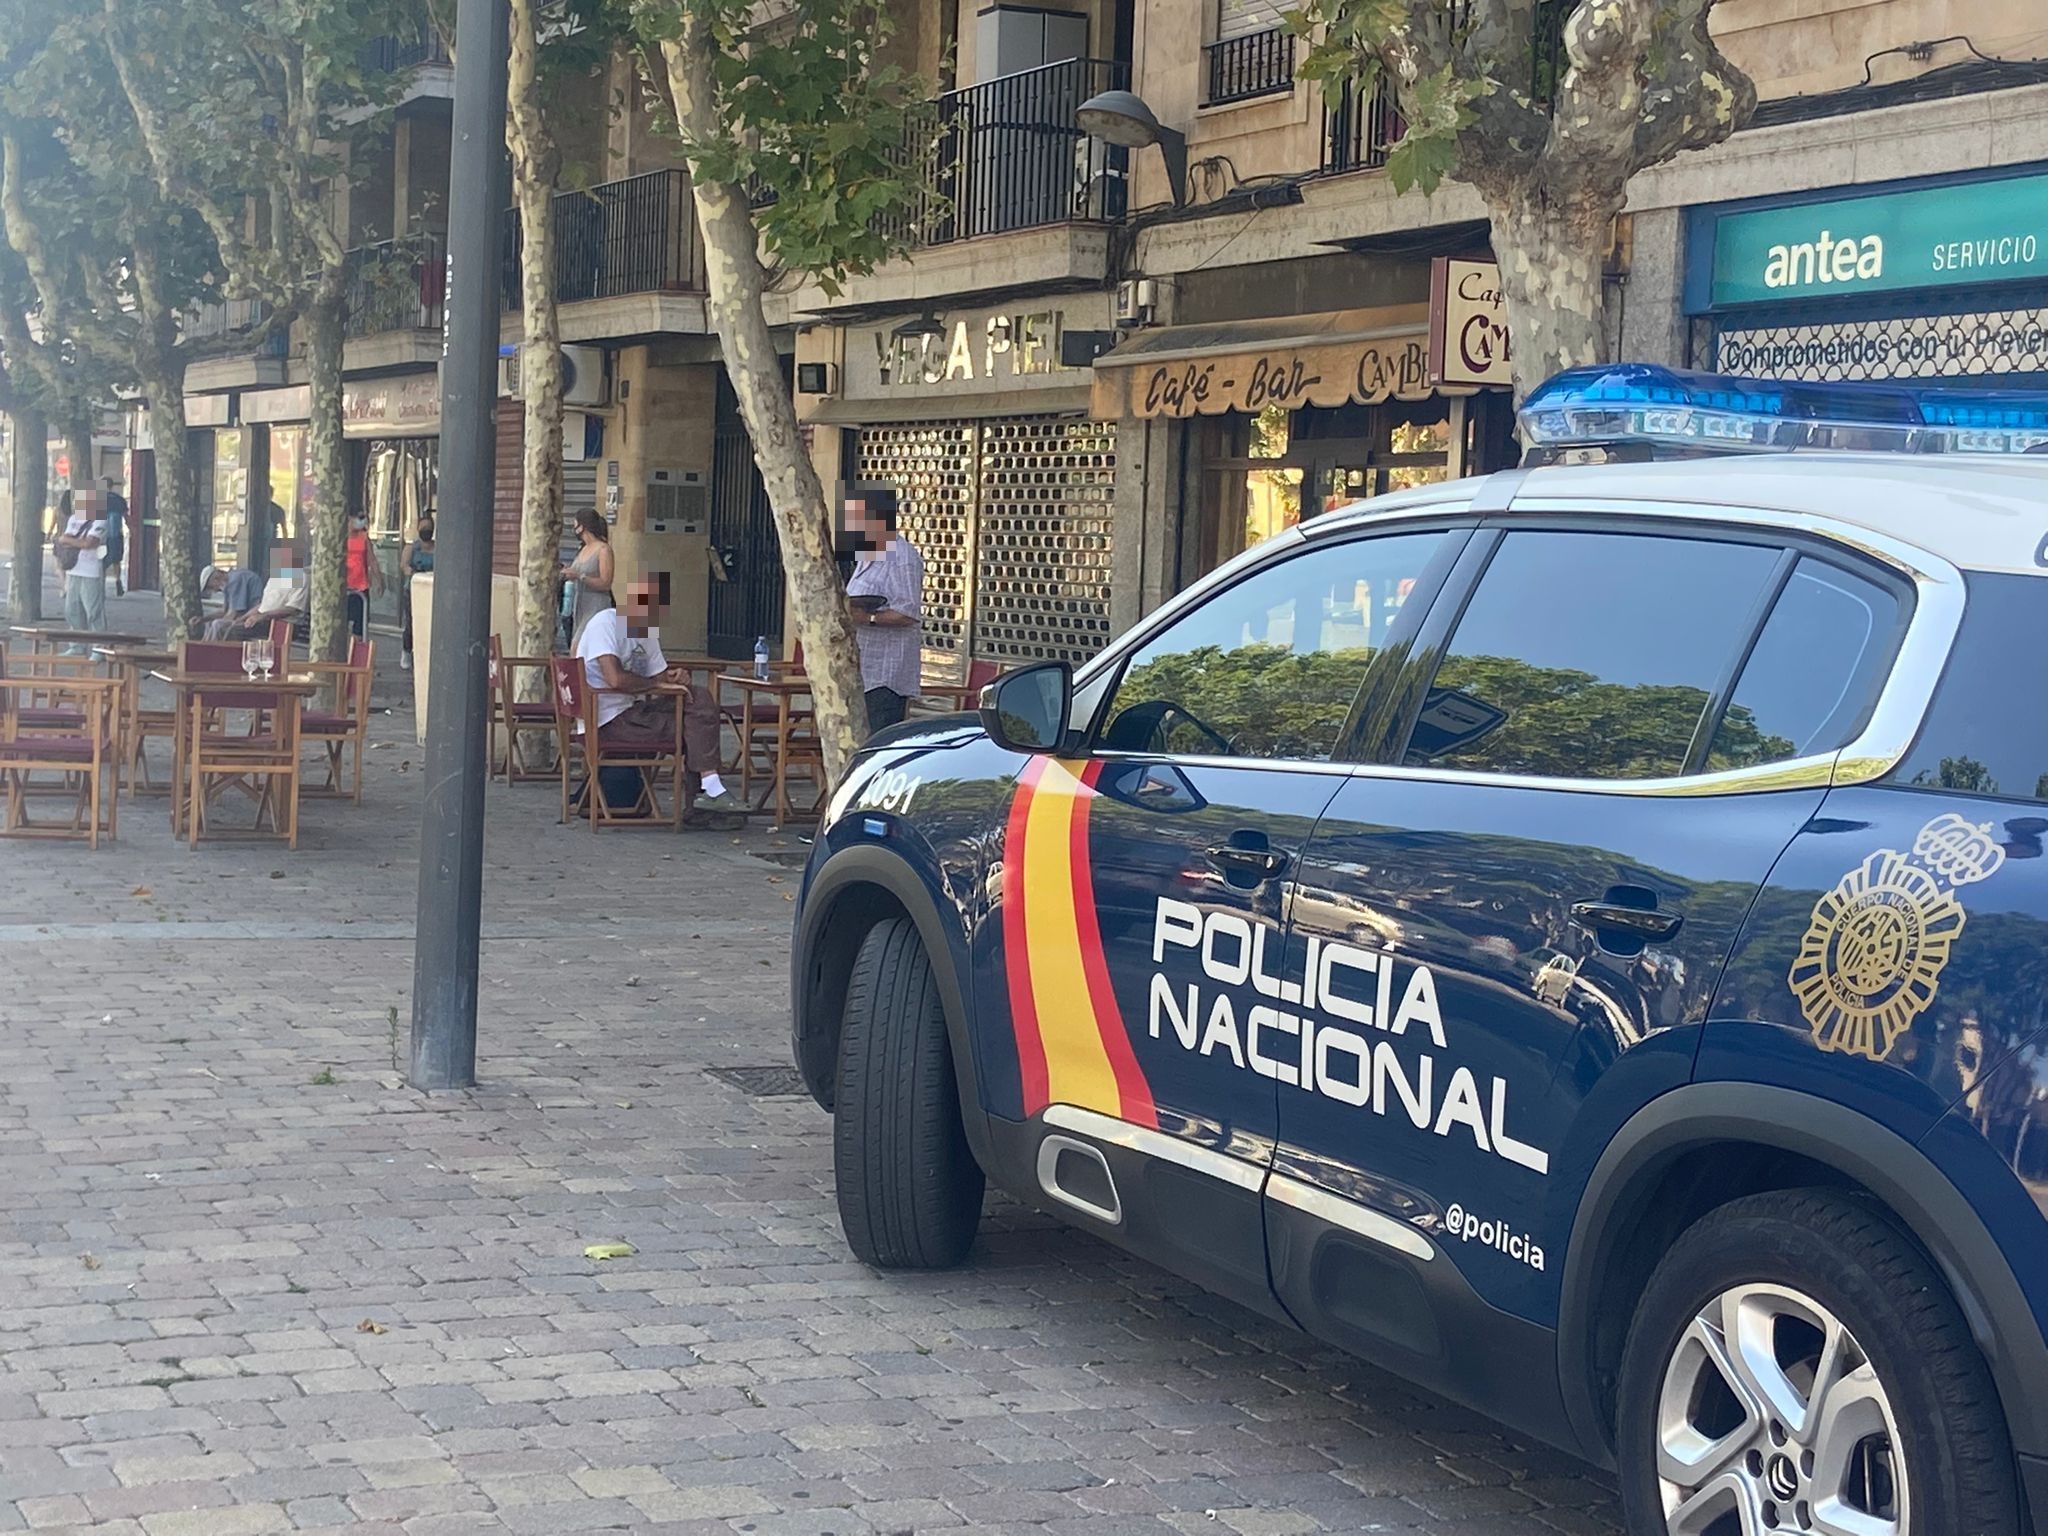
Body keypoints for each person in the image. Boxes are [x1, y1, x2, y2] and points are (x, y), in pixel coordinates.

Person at [573, 569, 738, 811]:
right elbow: (615, 679)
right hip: (606, 720)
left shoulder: (646, 631)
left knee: (698, 696)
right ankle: (707, 797)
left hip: (634, 713)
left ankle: (709, 787)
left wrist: (676, 678)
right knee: (694, 730)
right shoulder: (605, 623)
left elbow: (662, 681)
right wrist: (656, 684)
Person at [842, 483, 924, 736]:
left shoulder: (900, 556)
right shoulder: (868, 554)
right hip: (861, 670)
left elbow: (907, 613)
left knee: (877, 742)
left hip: (885, 676)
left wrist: (867, 617)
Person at [54, 486, 110, 653]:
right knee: (72, 610)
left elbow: (90, 543)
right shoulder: (73, 519)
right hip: (73, 570)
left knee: (93, 611)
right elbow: (64, 539)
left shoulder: (100, 521)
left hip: (90, 571)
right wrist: (78, 542)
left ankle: (99, 648)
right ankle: (77, 645)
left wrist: (73, 541)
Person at [561, 507, 614, 649]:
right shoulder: (583, 549)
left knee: (577, 648)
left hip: (596, 605)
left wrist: (580, 576)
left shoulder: (603, 550)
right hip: (580, 604)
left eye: (575, 523)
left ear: (582, 526)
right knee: (581, 648)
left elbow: (606, 583)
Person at [400, 512, 434, 671]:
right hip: (413, 590)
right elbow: (404, 566)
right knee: (411, 622)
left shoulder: (438, 548)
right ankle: (407, 650)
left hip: (432, 590)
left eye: (429, 527)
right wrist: (412, 572)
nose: (426, 530)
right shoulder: (411, 548)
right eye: (424, 527)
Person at [199, 563, 268, 640]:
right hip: (245, 619)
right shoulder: (229, 582)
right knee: (210, 624)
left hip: (254, 621)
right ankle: (203, 648)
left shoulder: (235, 580)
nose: (214, 591)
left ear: (216, 578)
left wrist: (219, 621)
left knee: (217, 624)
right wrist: (203, 619)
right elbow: (224, 611)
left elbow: (235, 613)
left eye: (211, 587)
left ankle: (211, 650)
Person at [345, 513, 383, 641]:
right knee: (342, 620)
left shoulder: (364, 538)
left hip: (361, 583)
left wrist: (379, 579)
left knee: (360, 622)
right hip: (344, 584)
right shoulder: (340, 538)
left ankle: (355, 649)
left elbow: (371, 559)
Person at [100, 478, 128, 597]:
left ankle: (101, 586)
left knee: (101, 562)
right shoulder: (119, 499)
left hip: (101, 536)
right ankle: (118, 581)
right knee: (116, 560)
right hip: (116, 535)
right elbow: (126, 516)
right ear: (111, 486)